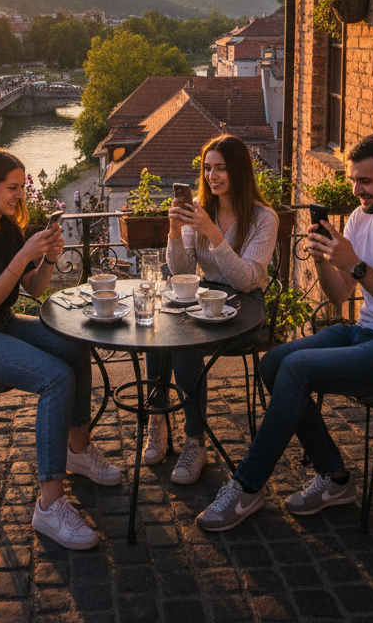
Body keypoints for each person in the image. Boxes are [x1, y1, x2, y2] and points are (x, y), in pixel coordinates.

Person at [195, 133, 373, 532]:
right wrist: (322, 257)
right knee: (274, 363)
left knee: (297, 370)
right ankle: (335, 477)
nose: (357, 191)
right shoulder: (360, 217)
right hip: (365, 333)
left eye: (365, 182)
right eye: (354, 180)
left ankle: (247, 485)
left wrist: (356, 266)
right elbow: (338, 297)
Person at [0, 148, 120, 550]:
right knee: (55, 378)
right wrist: (22, 256)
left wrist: (49, 259)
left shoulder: (6, 226)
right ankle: (49, 506)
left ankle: (78, 451)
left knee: (76, 345)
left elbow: (30, 291)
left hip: (1, 324)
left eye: (21, 187)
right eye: (12, 188)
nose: (20, 195)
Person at [143, 135, 279, 484]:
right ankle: (157, 416)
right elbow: (179, 271)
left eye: (220, 168)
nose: (211, 176)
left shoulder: (264, 218)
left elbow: (247, 280)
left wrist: (213, 234)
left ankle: (194, 440)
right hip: (203, 301)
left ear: (239, 171)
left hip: (245, 310)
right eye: (207, 168)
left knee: (185, 339)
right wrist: (176, 231)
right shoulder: (202, 210)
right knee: (159, 326)